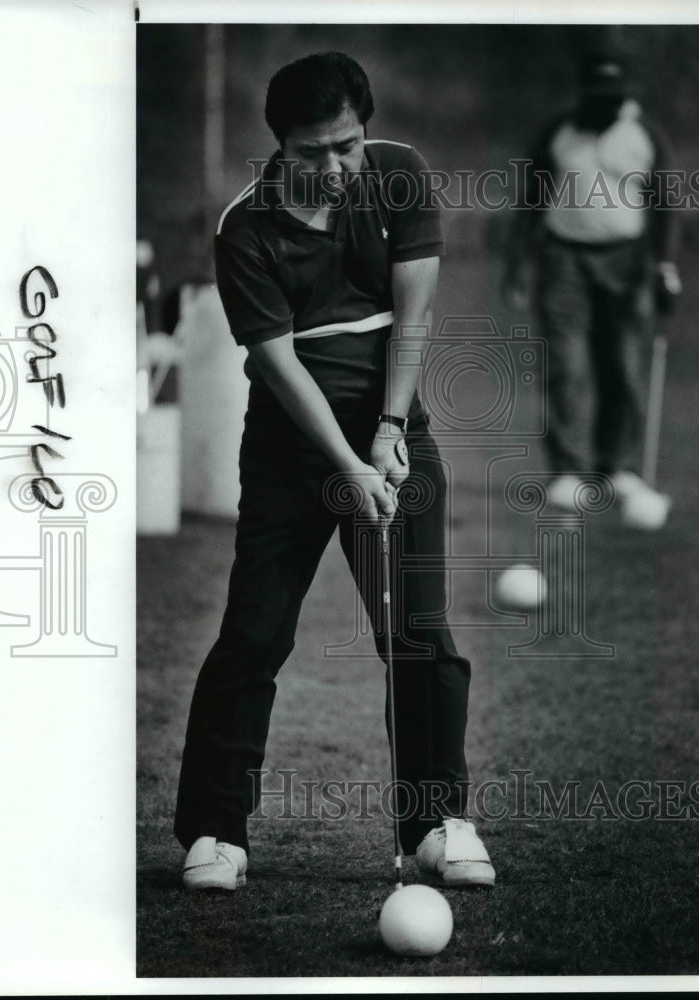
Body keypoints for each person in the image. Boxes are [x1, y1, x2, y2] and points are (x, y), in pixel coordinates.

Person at [174, 52, 495, 892]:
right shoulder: (245, 229)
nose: (335, 166)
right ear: (279, 144)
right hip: (290, 451)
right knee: (255, 634)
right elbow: (280, 368)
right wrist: (347, 466)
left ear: (366, 128)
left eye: (347, 144)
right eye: (313, 151)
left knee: (419, 634)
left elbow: (413, 317)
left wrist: (388, 432)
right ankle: (215, 832)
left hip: (394, 435)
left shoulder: (399, 176)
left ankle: (436, 824)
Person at [502, 50, 682, 523]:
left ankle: (615, 468)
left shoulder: (644, 135)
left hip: (628, 263)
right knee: (566, 365)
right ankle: (567, 472)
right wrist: (519, 265)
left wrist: (665, 266)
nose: (607, 105)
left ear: (626, 96)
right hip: (564, 260)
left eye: (615, 97)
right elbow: (531, 202)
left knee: (622, 365)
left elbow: (666, 207)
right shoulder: (559, 131)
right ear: (584, 94)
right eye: (598, 96)